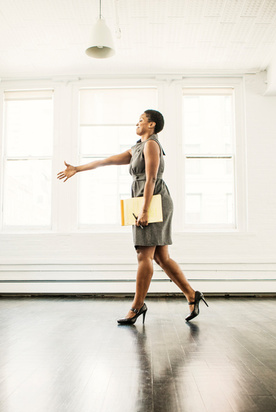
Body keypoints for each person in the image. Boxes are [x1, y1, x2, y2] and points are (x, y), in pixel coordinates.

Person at [57, 109, 207, 324]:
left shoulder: (152, 145)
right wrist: (78, 169)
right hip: (143, 199)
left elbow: (151, 178)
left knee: (143, 255)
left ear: (152, 125)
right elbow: (108, 161)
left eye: (141, 121)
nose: (136, 124)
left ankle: (137, 306)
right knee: (161, 257)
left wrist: (145, 210)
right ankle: (192, 295)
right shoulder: (138, 147)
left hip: (153, 199)